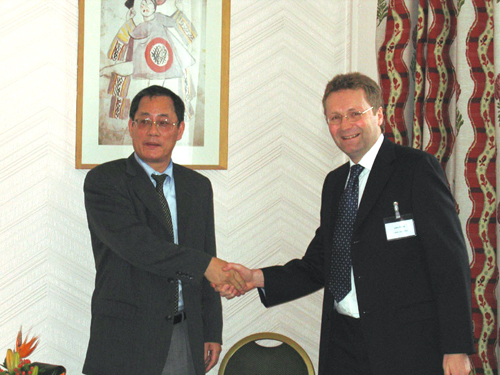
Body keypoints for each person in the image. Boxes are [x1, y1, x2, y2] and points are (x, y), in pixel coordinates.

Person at [215, 73, 475, 375]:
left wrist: (456, 347)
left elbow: (449, 262)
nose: (345, 125)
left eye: (355, 113)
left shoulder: (415, 169)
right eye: (335, 117)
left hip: (407, 348)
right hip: (343, 344)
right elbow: (320, 263)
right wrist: (256, 278)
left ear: (379, 115)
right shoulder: (336, 183)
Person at [82, 85, 243, 375]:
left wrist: (211, 330)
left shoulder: (197, 187)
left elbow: (207, 252)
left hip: (182, 334)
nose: (153, 131)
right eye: (144, 121)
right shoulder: (104, 182)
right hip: (123, 339)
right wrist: (206, 265)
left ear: (180, 129)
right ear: (131, 127)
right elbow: (140, 247)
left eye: (164, 122)